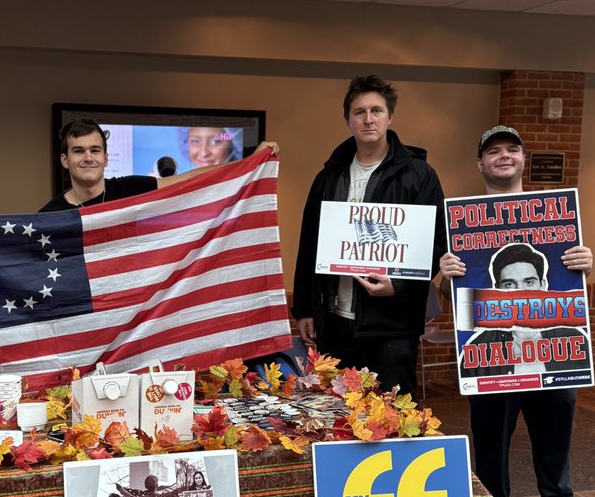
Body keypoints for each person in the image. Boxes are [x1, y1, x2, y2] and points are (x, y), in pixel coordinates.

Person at [440, 125, 594, 497]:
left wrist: (586, 264)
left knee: (556, 429)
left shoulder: (555, 218)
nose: (503, 156)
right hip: (493, 361)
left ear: (523, 159)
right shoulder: (461, 223)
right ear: (480, 163)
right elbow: (447, 297)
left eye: (512, 149)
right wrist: (444, 275)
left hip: (554, 357)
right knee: (490, 433)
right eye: (493, 151)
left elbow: (574, 284)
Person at [292, 74, 446, 396]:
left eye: (376, 110)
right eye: (359, 112)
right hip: (335, 321)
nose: (368, 119)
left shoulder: (419, 175)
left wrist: (398, 287)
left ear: (390, 117)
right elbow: (310, 243)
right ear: (348, 120)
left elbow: (436, 245)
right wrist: (304, 308)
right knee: (338, 410)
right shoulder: (328, 176)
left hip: (391, 326)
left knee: (394, 411)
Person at [40, 117, 275, 212]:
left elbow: (190, 179)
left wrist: (248, 163)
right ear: (65, 160)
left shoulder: (128, 189)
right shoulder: (49, 215)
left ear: (106, 158)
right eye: (78, 151)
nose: (88, 157)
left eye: (95, 150)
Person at [458, 241, 590, 379]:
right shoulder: (478, 348)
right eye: (509, 284)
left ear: (543, 285)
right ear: (497, 289)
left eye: (529, 282)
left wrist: (583, 269)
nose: (520, 291)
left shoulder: (574, 340)